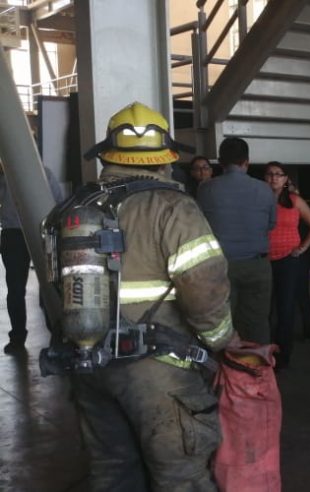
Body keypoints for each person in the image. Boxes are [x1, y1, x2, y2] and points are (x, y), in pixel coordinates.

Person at [68, 102, 235, 490]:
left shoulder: (76, 208)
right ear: (165, 160)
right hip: (157, 373)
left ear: (109, 156)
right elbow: (205, 287)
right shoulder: (173, 207)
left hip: (88, 366)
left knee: (112, 471)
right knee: (181, 477)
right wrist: (222, 341)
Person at [197, 137, 276, 344]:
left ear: (221, 163)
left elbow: (199, 227)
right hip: (257, 266)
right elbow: (271, 224)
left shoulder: (206, 189)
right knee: (257, 323)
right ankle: (258, 371)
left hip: (220, 268)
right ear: (246, 162)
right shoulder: (264, 189)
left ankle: (226, 373)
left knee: (222, 325)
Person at [0, 164, 63, 354]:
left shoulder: (42, 173)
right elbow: (59, 202)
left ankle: (53, 335)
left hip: (33, 232)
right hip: (19, 233)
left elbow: (58, 203)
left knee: (45, 286)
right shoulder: (9, 174)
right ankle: (23, 336)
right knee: (23, 288)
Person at [264, 161, 310, 368]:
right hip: (264, 260)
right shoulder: (259, 200)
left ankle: (283, 356)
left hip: (289, 260)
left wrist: (303, 247)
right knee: (264, 310)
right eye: (270, 174)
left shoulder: (295, 201)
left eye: (279, 174)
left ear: (286, 179)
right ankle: (264, 352)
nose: (274, 178)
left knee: (285, 308)